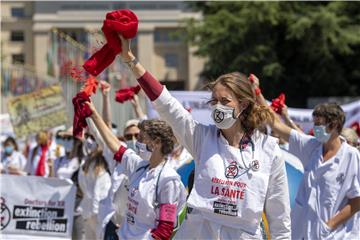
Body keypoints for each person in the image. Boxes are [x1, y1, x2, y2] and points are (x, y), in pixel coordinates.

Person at [116, 34, 291, 239]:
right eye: (214, 101)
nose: (218, 106)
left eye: (225, 101)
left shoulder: (268, 150)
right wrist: (129, 59)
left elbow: (280, 218)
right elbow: (166, 105)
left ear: (243, 105)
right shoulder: (201, 137)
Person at [252, 75, 360, 239]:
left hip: (336, 235)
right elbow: (276, 125)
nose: (316, 129)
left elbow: (357, 200)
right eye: (315, 124)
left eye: (320, 125)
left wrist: (329, 225)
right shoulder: (311, 146)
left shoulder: (352, 156)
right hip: (305, 233)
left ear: (335, 125)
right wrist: (257, 92)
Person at [85, 99, 187, 240]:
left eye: (141, 138)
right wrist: (93, 113)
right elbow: (115, 145)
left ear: (156, 143)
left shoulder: (168, 180)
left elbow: (165, 230)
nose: (137, 143)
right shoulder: (140, 166)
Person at [78, 149, 112, 240]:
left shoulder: (87, 165)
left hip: (88, 210)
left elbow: (82, 184)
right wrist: (96, 211)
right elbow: (97, 192)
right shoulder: (101, 170)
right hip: (97, 212)